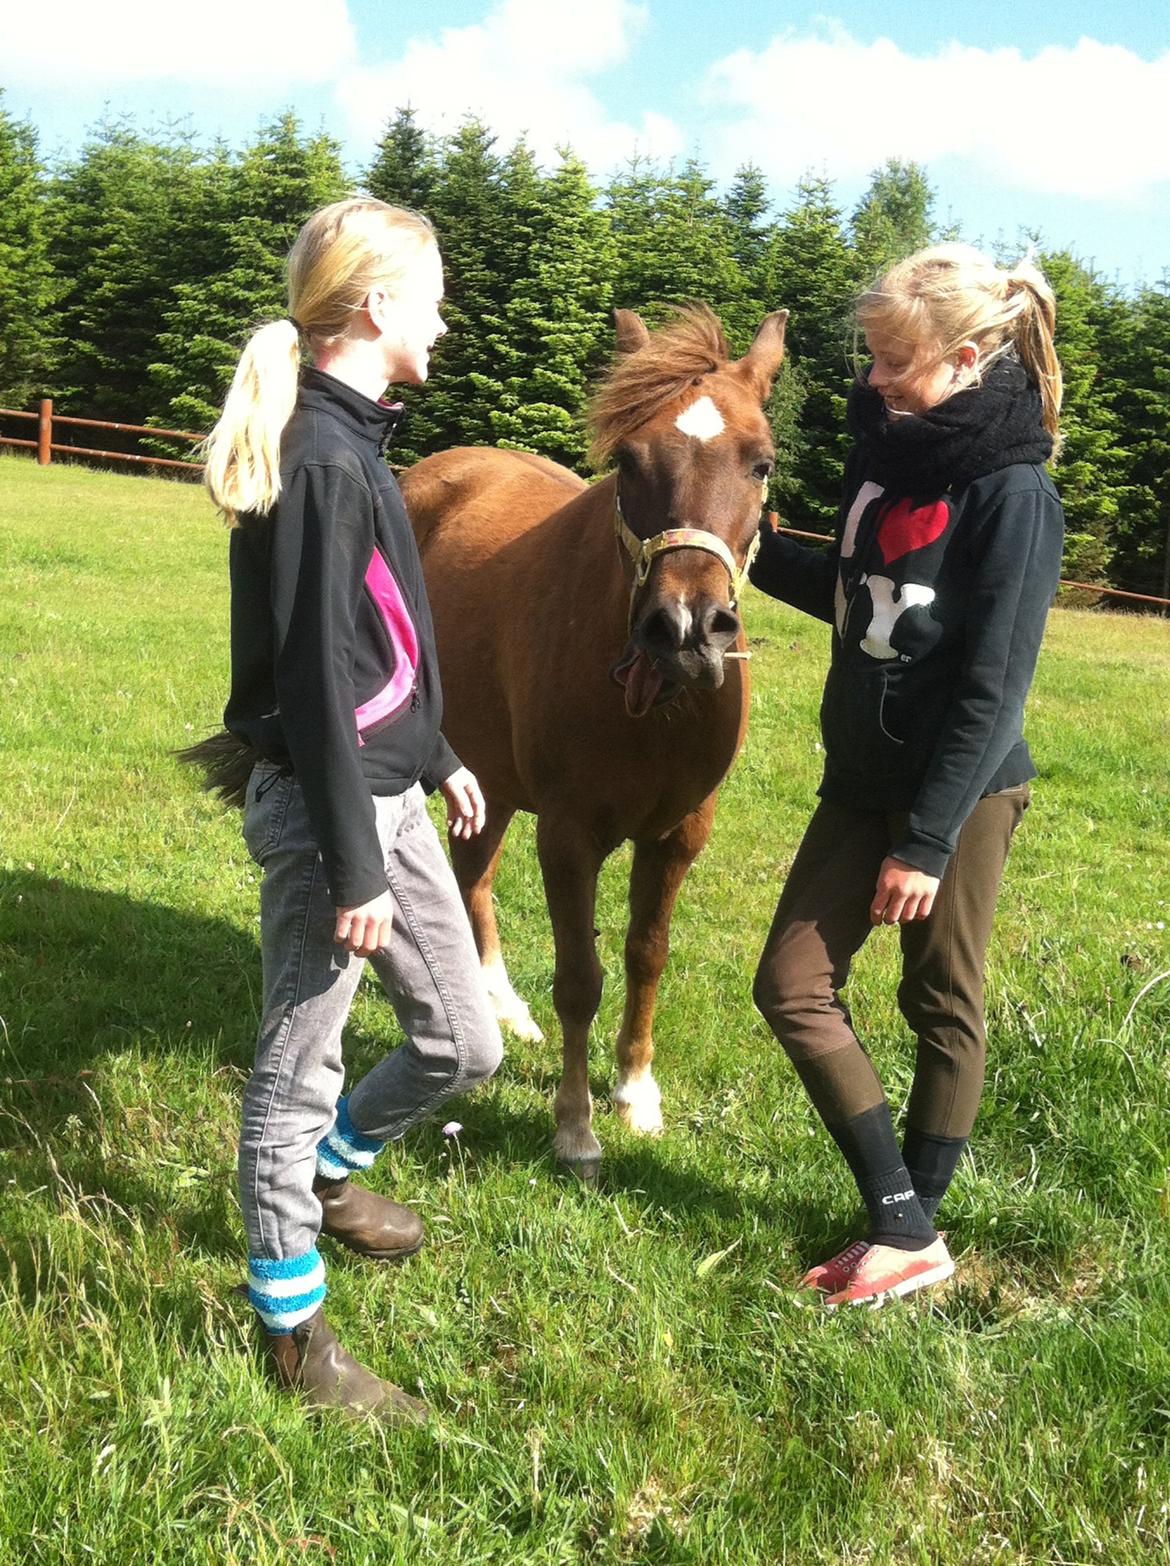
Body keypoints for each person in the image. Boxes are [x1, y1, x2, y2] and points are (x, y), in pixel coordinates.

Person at [197, 198, 502, 1417]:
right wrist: (353, 863)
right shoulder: (324, 459)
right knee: (295, 1070)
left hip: (383, 793)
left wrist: (436, 754)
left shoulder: (356, 442)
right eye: (432, 300)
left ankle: (329, 1176)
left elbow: (380, 645)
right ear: (377, 309)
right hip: (335, 820)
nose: (444, 323)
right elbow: (315, 680)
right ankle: (293, 1336)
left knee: (466, 1042)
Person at [750, 243, 1064, 1309]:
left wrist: (926, 842)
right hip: (858, 781)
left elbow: (994, 687)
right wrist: (743, 548)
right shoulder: (883, 460)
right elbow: (860, 596)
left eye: (897, 362)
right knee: (790, 986)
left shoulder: (1015, 494)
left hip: (961, 795)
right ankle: (907, 1226)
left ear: (968, 358)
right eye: (872, 358)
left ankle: (905, 1231)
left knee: (940, 1000)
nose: (875, 380)